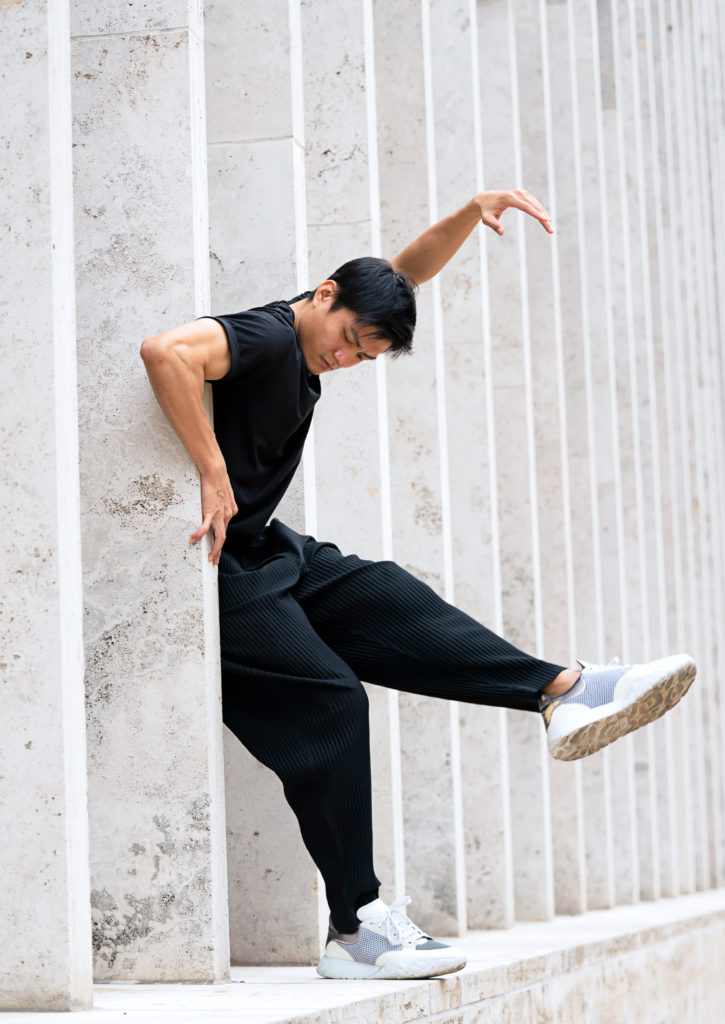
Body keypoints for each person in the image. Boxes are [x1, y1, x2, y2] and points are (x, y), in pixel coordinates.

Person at [140, 189, 696, 982]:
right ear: (323, 295)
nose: (345, 360)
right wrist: (211, 466)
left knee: (381, 592)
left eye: (362, 357)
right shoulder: (267, 336)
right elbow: (165, 352)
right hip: (212, 566)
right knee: (329, 698)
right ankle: (357, 927)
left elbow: (403, 271)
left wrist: (470, 213)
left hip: (261, 549)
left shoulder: (327, 318)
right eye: (345, 344)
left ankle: (565, 688)